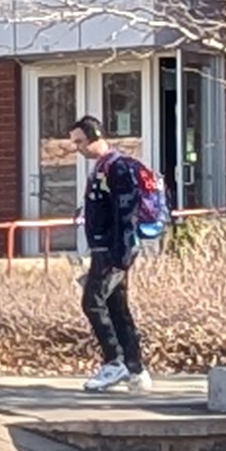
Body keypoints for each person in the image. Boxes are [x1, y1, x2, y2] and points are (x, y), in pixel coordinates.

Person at [70, 124, 154, 390]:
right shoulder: (104, 167)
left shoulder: (116, 168)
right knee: (117, 307)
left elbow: (126, 211)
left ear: (96, 137)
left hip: (112, 250)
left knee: (92, 302)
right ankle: (135, 368)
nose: (77, 148)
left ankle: (114, 362)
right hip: (108, 248)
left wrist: (122, 253)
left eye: (80, 141)